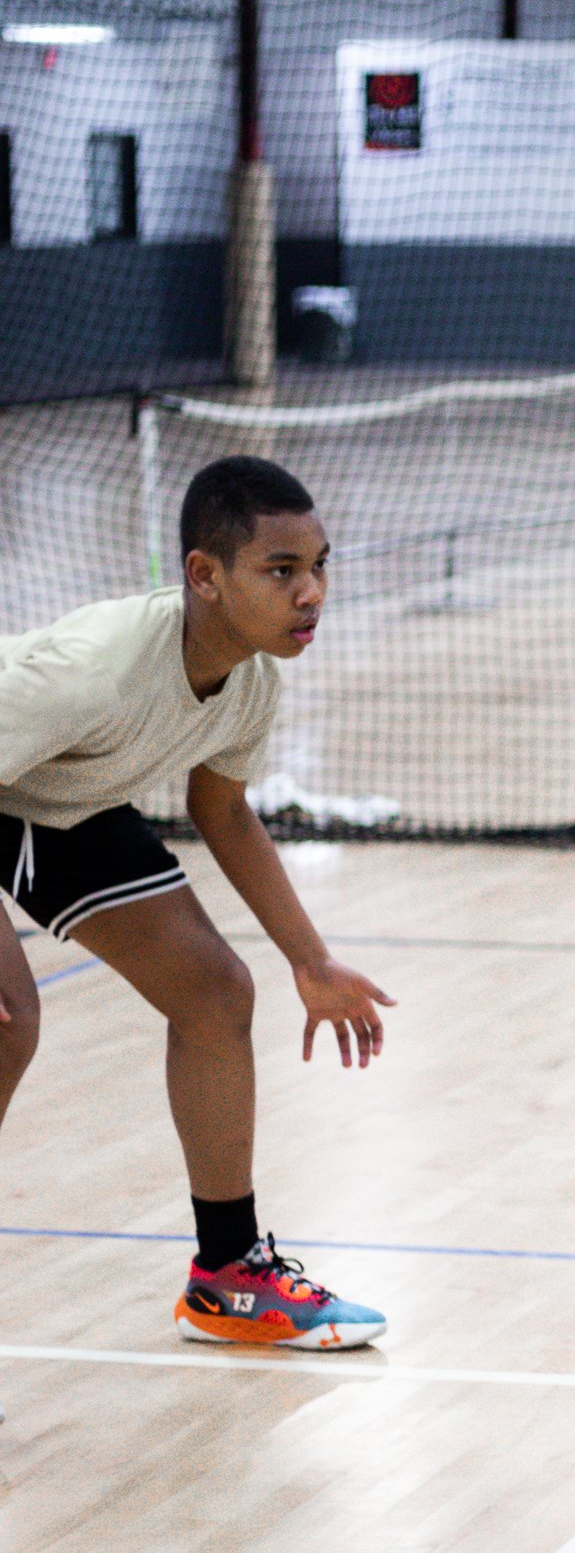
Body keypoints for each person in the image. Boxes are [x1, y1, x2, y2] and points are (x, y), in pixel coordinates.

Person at [0, 455, 392, 1350]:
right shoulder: (94, 670)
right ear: (203, 576)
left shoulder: (251, 680)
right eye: (282, 571)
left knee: (216, 994)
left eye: (321, 565)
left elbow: (221, 810)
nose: (312, 594)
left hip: (54, 798)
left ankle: (227, 1279)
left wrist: (310, 958)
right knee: (9, 1021)